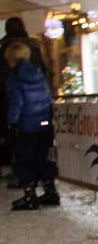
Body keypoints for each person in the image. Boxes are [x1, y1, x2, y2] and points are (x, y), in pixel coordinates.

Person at [4, 40, 59, 211]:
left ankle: (30, 195)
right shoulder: (38, 73)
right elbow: (47, 97)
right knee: (42, 159)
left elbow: (17, 104)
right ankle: (50, 191)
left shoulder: (14, 79)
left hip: (27, 125)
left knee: (23, 161)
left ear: (10, 59)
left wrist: (11, 124)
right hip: (44, 124)